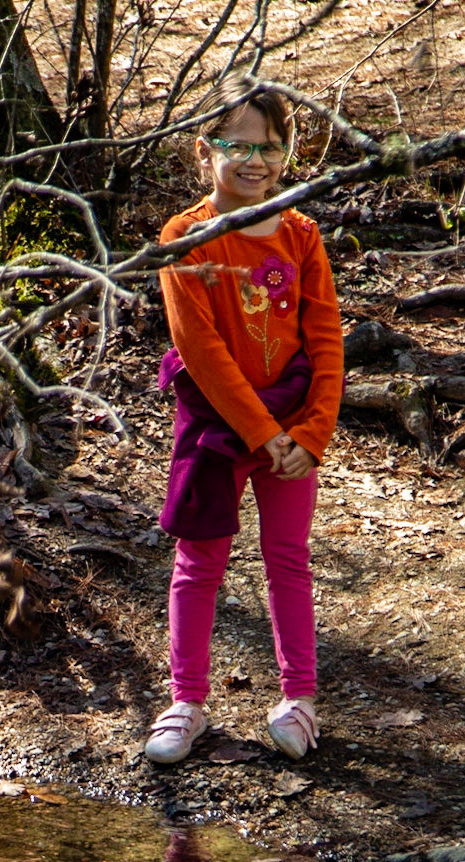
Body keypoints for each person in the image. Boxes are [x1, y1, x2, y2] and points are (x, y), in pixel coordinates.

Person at [144, 81, 344, 765]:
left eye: (269, 147)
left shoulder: (301, 234)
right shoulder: (186, 241)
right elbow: (201, 352)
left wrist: (309, 435)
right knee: (199, 561)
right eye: (237, 145)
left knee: (288, 558)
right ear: (205, 151)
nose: (254, 160)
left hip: (292, 433)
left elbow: (325, 339)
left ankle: (299, 697)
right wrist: (261, 434)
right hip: (218, 428)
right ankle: (186, 700)